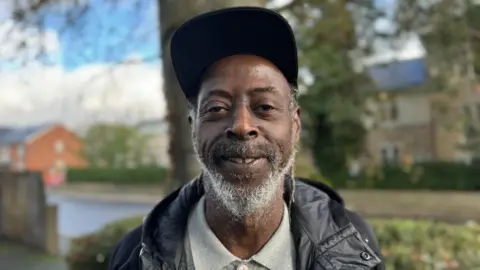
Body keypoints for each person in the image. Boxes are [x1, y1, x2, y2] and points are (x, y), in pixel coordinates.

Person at [109, 6, 385, 270]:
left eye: (264, 107)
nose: (241, 126)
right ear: (194, 126)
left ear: (295, 124)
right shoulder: (134, 256)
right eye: (217, 108)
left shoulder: (354, 244)